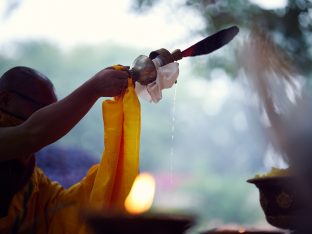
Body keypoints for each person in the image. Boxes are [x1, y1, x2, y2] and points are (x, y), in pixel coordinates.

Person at [0, 65, 132, 233]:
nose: (48, 116)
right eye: (40, 108)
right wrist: (94, 89)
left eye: (51, 109)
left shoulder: (34, 181)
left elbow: (63, 211)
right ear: (4, 99)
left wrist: (111, 174)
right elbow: (34, 133)